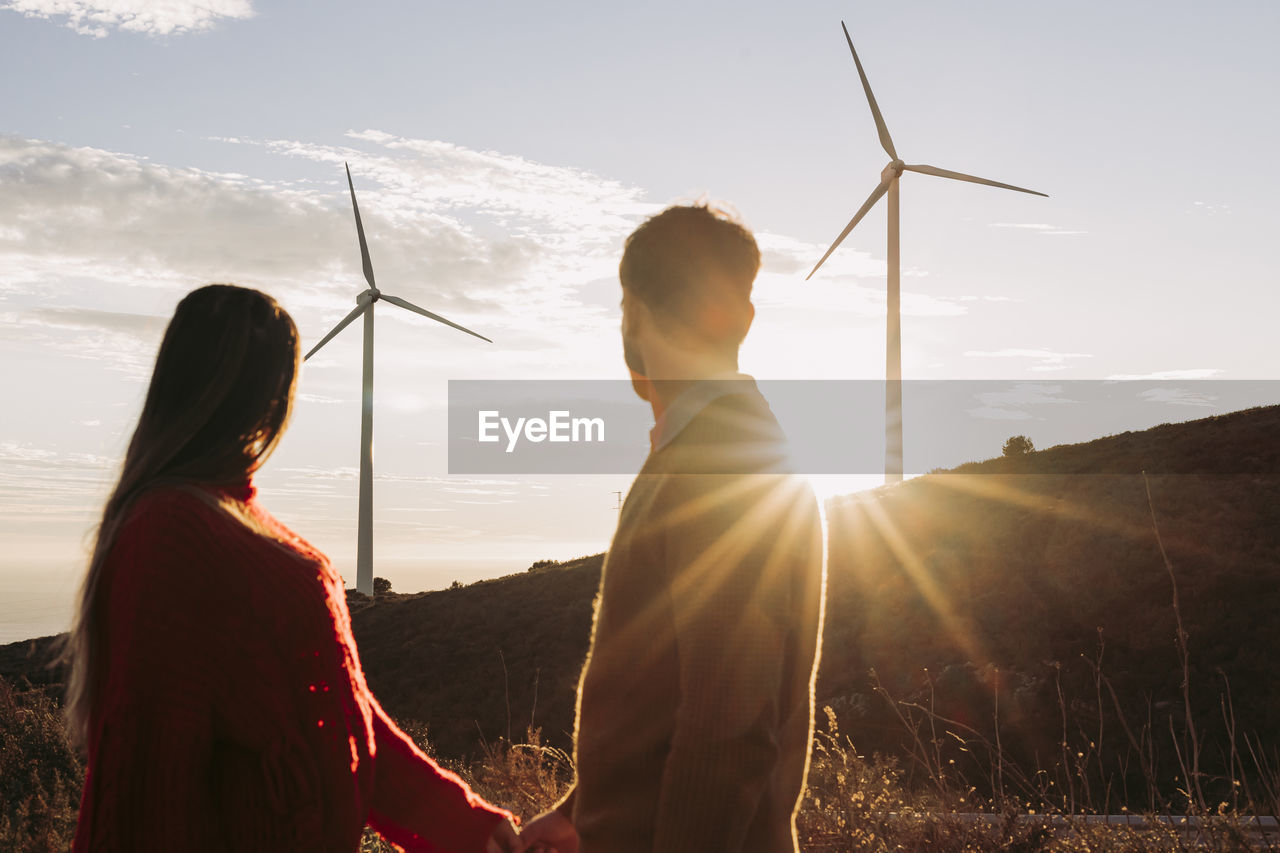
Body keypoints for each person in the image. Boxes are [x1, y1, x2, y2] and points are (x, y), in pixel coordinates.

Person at [62, 284, 522, 852]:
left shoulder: (228, 523)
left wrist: (463, 821)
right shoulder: (171, 534)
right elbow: (151, 771)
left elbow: (344, 720)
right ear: (274, 393)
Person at [520, 204, 827, 853]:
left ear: (631, 318)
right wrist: (581, 811)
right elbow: (667, 696)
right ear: (743, 318)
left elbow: (726, 729)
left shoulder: (720, 467)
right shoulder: (707, 454)